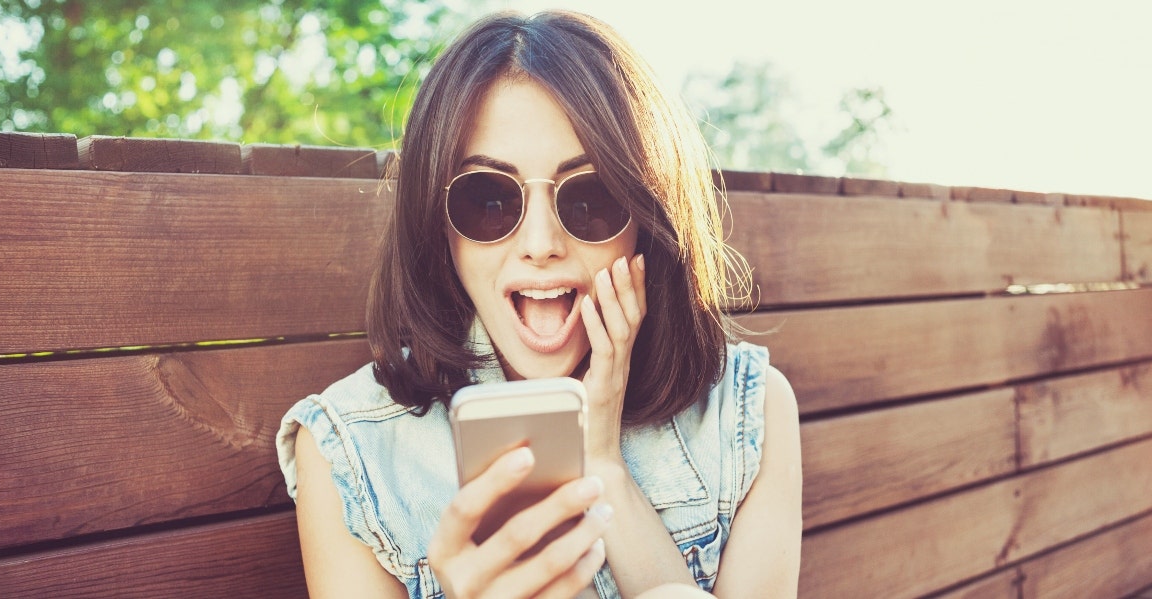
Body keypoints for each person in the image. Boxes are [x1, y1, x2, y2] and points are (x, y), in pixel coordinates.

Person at [276, 9, 802, 599]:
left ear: (647, 221)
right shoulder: (351, 450)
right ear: (435, 222)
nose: (541, 245)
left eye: (591, 197)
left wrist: (604, 468)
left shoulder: (746, 410)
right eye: (488, 200)